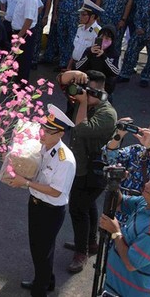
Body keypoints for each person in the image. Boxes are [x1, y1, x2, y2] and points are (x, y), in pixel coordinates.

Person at [8, 104, 76, 297]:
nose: (42, 133)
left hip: (50, 210)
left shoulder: (65, 159)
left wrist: (27, 183)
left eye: (48, 130)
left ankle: (40, 290)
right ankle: (47, 281)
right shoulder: (45, 147)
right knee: (42, 248)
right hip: (37, 204)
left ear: (60, 134)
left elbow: (55, 192)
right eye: (43, 128)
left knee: (41, 251)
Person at [57, 70, 117, 273]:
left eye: (89, 92)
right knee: (88, 206)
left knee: (78, 209)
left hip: (94, 172)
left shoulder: (107, 114)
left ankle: (81, 253)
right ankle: (91, 243)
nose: (82, 94)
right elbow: (62, 84)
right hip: (81, 167)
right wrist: (72, 74)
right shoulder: (88, 100)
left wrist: (82, 103)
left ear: (101, 92)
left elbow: (81, 128)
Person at [98, 168, 150, 297]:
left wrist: (116, 232)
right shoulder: (145, 203)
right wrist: (116, 183)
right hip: (114, 288)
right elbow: (120, 203)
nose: (147, 184)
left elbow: (131, 264)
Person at [103, 115, 150, 208]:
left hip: (148, 213)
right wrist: (119, 135)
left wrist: (149, 147)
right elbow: (108, 157)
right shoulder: (137, 150)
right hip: (123, 209)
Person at [10, 0, 40, 84]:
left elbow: (28, 20)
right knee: (18, 62)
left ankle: (21, 88)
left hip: (24, 34)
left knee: (23, 63)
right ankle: (17, 85)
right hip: (19, 32)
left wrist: (19, 37)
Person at [75, 25, 120, 96]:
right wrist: (89, 54)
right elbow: (78, 66)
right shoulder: (89, 50)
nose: (103, 40)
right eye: (101, 37)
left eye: (107, 38)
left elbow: (116, 72)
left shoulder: (114, 54)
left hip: (105, 89)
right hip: (87, 85)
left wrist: (104, 57)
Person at [68, 0, 103, 70]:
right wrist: (69, 66)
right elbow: (75, 48)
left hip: (85, 68)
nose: (80, 17)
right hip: (75, 65)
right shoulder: (80, 28)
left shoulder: (98, 32)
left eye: (83, 15)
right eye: (80, 14)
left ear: (92, 16)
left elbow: (95, 55)